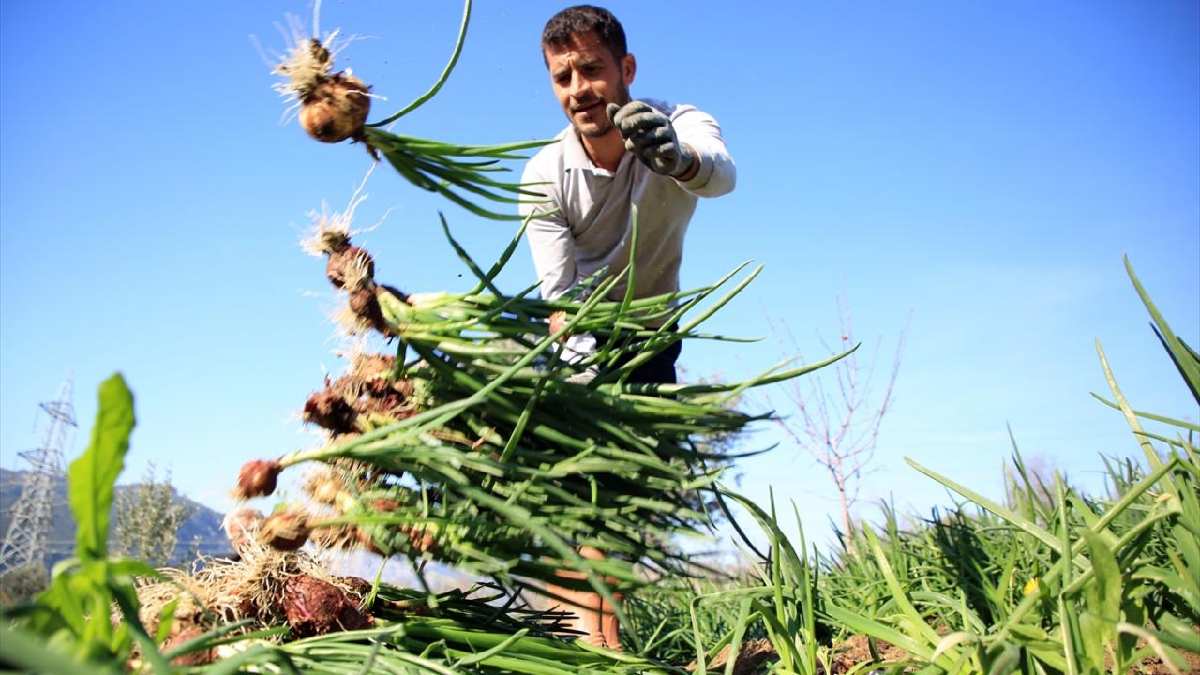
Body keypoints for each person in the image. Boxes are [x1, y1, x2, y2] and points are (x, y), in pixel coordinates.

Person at [518, 4, 737, 647]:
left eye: (591, 69)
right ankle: (597, 647)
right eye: (563, 77)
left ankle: (595, 638)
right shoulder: (543, 176)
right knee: (591, 494)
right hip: (583, 340)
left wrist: (675, 159)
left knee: (634, 495)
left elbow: (722, 176)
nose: (579, 90)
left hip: (653, 338)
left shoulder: (681, 123)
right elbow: (560, 297)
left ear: (626, 68)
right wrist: (585, 386)